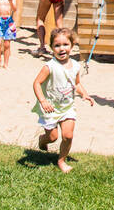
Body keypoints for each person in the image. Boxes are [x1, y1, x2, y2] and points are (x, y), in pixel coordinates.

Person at [32, 27, 95, 172]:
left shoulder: (75, 66)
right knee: (53, 137)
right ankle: (43, 139)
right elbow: (36, 83)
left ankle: (61, 160)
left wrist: (84, 94)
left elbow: (77, 83)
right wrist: (43, 101)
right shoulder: (49, 67)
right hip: (51, 108)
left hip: (67, 107)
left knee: (68, 135)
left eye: (65, 45)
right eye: (57, 45)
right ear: (51, 47)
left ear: (72, 46)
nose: (62, 49)